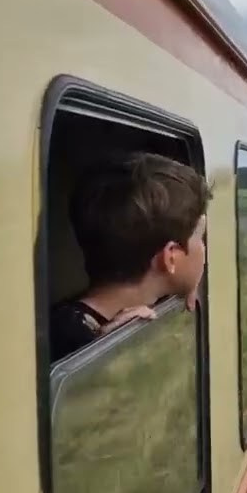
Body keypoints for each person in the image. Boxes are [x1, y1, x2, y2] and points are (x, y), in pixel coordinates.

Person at [50, 152, 211, 362]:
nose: (204, 248)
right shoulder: (71, 341)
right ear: (171, 257)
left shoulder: (64, 322)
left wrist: (187, 282)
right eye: (200, 237)